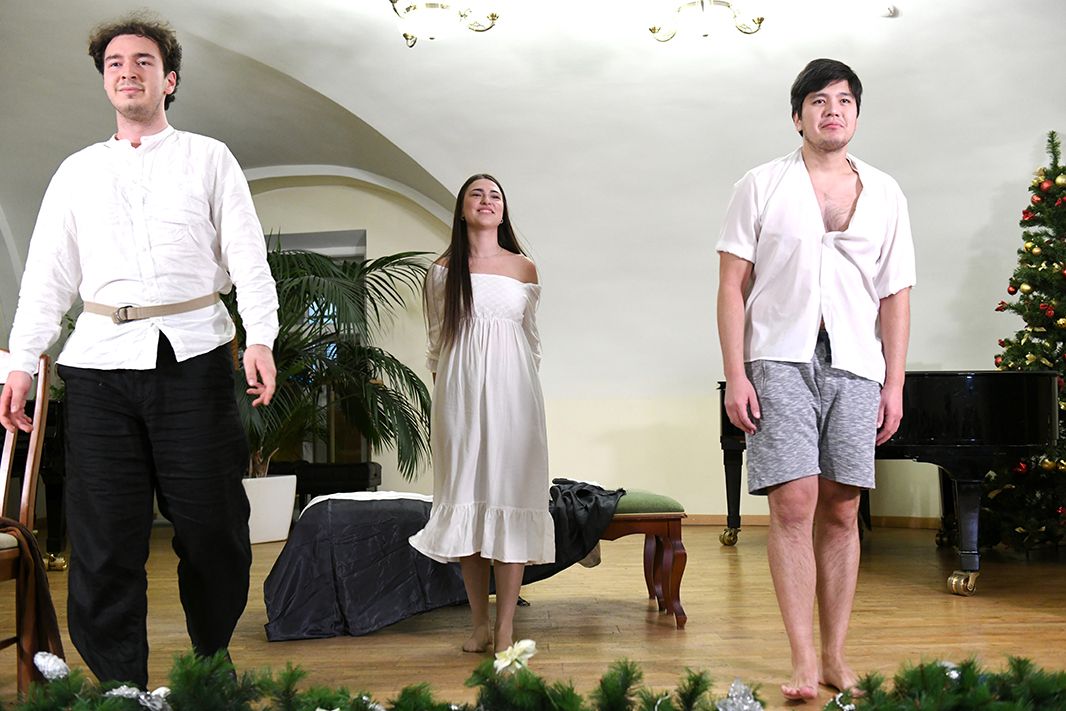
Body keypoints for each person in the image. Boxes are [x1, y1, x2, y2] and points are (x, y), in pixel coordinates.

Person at [0, 14, 278, 687]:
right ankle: (122, 686)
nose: (128, 71)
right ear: (105, 82)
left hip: (195, 359)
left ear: (169, 79)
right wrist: (20, 361)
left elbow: (249, 256)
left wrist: (261, 337)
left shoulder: (209, 158)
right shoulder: (75, 173)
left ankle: (210, 660)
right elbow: (47, 277)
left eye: (143, 61)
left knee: (215, 529)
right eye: (115, 63)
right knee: (104, 541)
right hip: (98, 370)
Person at [716, 58, 915, 701]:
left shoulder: (886, 193)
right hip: (778, 356)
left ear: (856, 114)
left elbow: (896, 295)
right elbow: (731, 285)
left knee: (844, 506)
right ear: (797, 115)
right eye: (819, 101)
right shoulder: (760, 184)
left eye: (844, 101)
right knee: (793, 503)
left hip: (857, 362)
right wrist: (735, 374)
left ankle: (835, 655)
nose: (833, 111)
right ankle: (802, 659)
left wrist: (894, 383)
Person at [409, 173, 554, 653]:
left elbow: (531, 342)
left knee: (511, 498)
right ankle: (478, 625)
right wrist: (449, 406)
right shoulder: (442, 271)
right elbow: (437, 345)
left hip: (515, 400)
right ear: (462, 209)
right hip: (460, 399)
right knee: (468, 504)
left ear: (503, 210)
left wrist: (516, 393)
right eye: (477, 194)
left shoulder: (523, 267)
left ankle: (506, 627)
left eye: (495, 195)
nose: (487, 200)